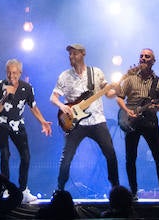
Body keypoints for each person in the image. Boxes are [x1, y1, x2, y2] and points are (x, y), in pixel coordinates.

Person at [49, 43, 120, 197]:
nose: (71, 57)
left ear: (83, 54)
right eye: (70, 54)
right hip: (75, 124)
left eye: (74, 53)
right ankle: (60, 189)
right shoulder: (64, 76)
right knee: (67, 156)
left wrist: (116, 90)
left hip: (97, 120)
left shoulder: (96, 72)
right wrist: (63, 106)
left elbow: (107, 93)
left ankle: (116, 188)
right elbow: (53, 97)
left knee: (110, 153)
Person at [113, 47, 159, 203]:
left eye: (147, 57)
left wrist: (155, 106)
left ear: (153, 61)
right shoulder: (130, 79)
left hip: (150, 122)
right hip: (132, 121)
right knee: (130, 158)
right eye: (141, 56)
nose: (143, 58)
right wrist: (127, 110)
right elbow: (119, 97)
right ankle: (133, 193)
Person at [0, 58, 53, 203]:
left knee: (26, 155)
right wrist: (6, 96)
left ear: (20, 73)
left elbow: (33, 107)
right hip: (0, 123)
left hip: (17, 123)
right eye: (9, 73)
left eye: (15, 73)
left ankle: (23, 190)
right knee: (5, 153)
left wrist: (43, 121)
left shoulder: (27, 88)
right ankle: (5, 189)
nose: (12, 76)